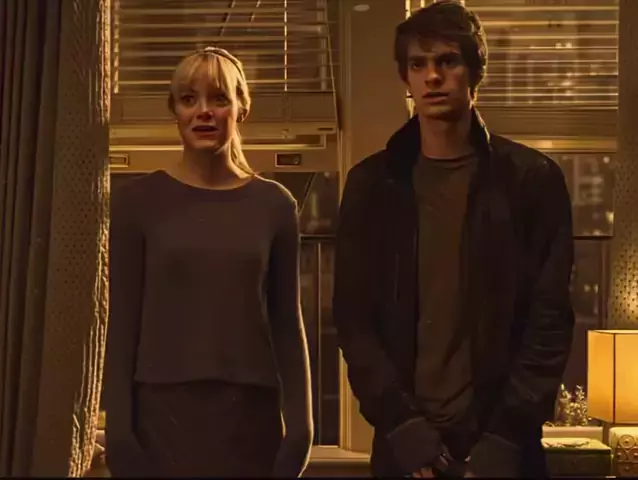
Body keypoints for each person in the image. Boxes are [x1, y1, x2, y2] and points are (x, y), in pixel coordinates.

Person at [332, 1, 575, 478]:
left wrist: (506, 437)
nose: (432, 77)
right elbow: (354, 320)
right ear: (405, 77)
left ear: (474, 71)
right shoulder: (373, 185)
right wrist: (402, 427)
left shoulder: (530, 181)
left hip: (502, 448)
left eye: (447, 61)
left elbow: (548, 322)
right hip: (408, 450)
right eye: (418, 64)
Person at [104, 47, 313, 478]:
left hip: (251, 421)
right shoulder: (137, 203)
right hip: (160, 421)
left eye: (218, 98)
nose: (204, 111)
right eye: (189, 99)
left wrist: (300, 432)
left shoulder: (274, 205)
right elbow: (121, 325)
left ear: (241, 108)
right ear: (175, 111)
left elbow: (287, 325)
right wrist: (120, 435)